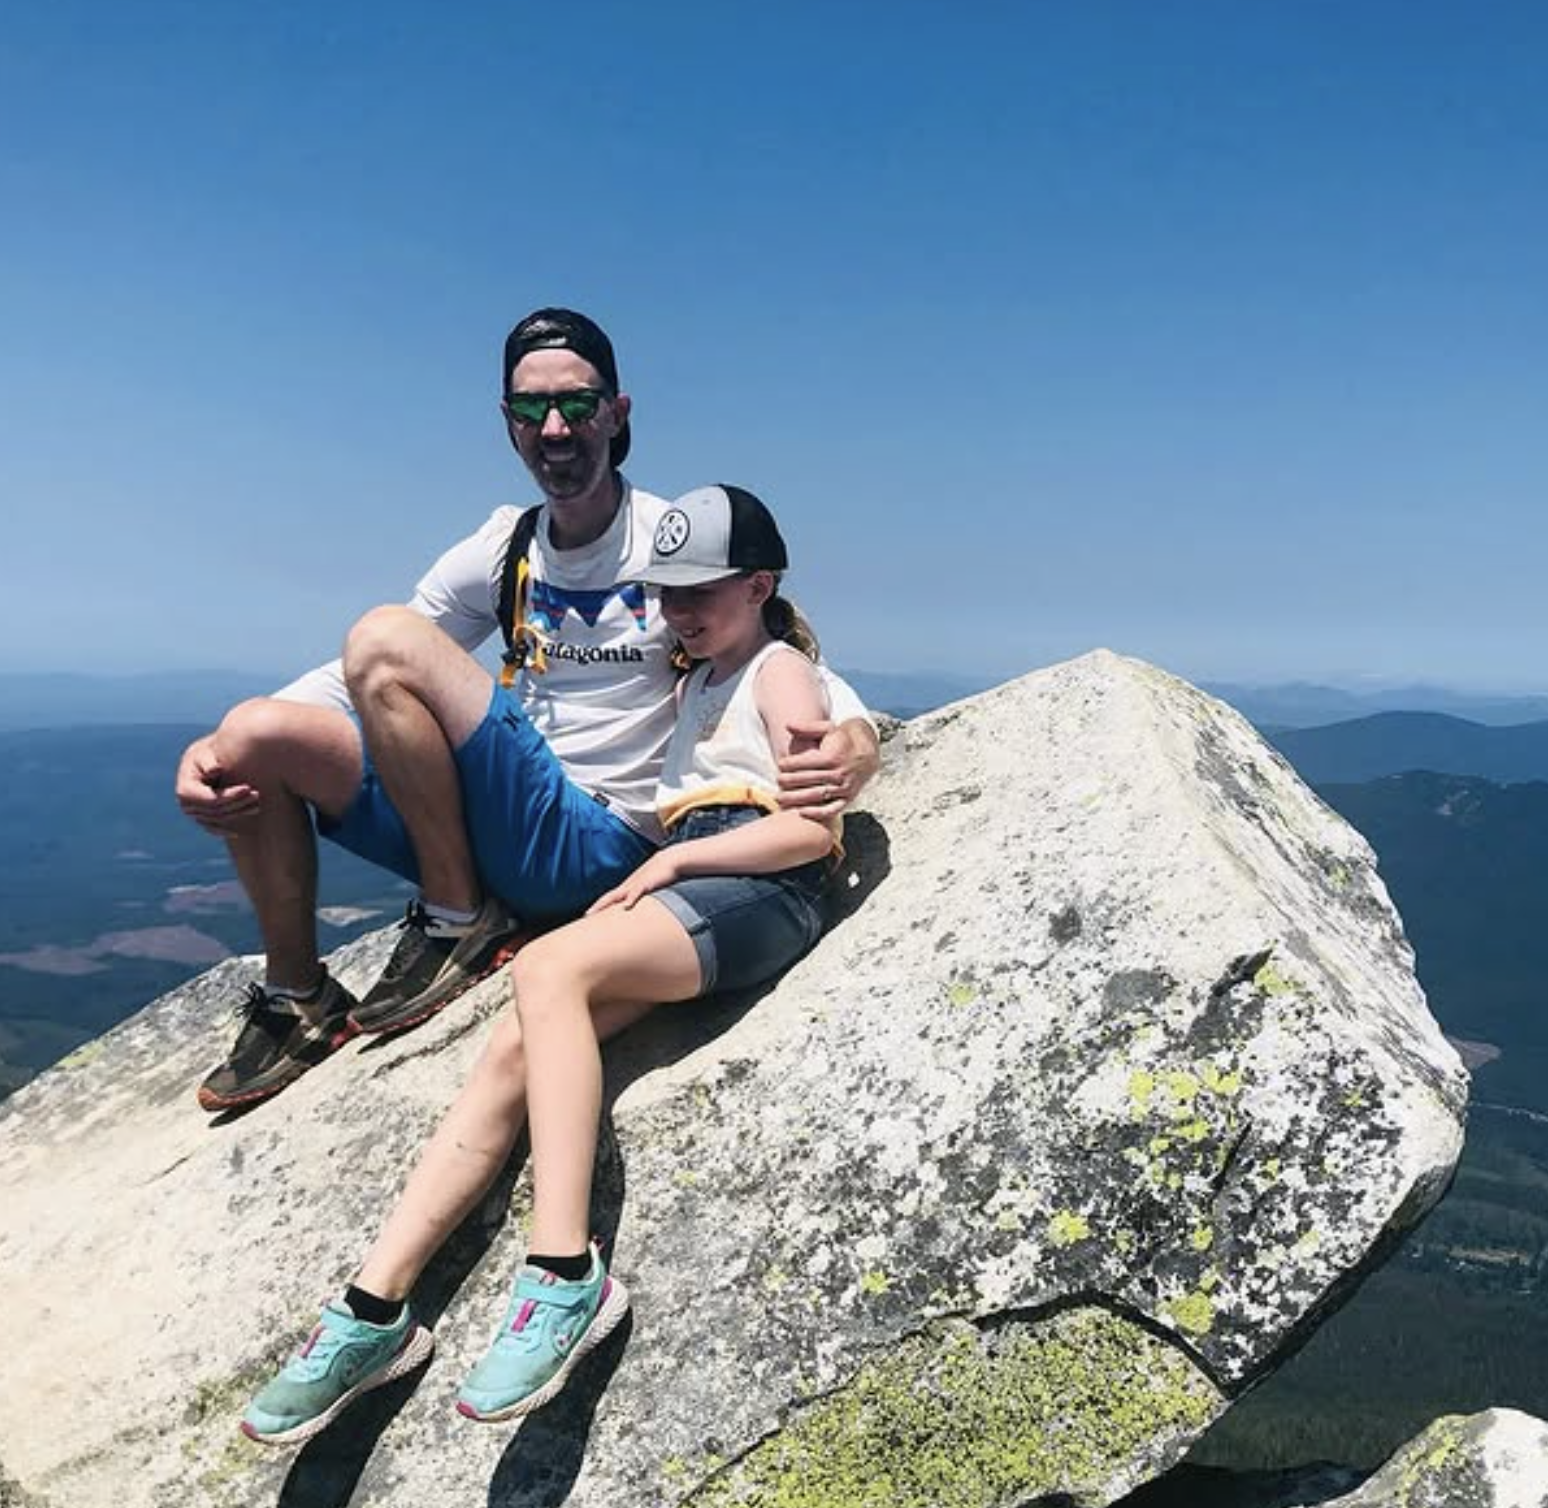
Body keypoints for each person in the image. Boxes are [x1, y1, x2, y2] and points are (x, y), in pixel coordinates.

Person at [241, 484, 845, 1444]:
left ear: (761, 586)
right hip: (700, 888)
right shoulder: (699, 681)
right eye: (669, 593)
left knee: (547, 972)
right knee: (514, 1053)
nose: (681, 611)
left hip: (758, 888)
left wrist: (679, 858)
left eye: (706, 592)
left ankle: (564, 1273)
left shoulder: (773, 670)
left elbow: (813, 829)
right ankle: (372, 1306)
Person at [177, 310, 878, 1113]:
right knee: (255, 735)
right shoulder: (502, 549)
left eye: (579, 406)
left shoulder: (667, 540)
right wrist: (214, 750)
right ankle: (297, 999)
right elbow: (356, 680)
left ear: (618, 416)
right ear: (506, 422)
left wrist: (855, 739)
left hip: (599, 836)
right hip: (503, 835)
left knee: (385, 636)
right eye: (530, 409)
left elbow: (774, 645)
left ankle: (454, 922)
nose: (555, 428)